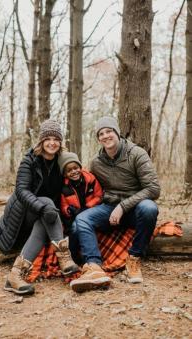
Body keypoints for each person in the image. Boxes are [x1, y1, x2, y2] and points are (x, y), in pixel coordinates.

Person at [70, 116, 160, 293]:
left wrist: (123, 206)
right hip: (108, 207)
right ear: (98, 139)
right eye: (101, 134)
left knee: (149, 208)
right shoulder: (96, 162)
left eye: (109, 131)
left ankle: (134, 259)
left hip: (135, 208)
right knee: (82, 219)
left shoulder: (136, 154)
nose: (105, 136)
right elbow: (90, 186)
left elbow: (153, 188)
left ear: (117, 133)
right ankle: (94, 266)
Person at [0, 119, 79, 296]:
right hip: (22, 214)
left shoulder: (60, 163)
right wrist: (41, 207)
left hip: (43, 215)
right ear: (41, 141)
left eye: (56, 139)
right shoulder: (29, 161)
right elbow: (21, 191)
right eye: (48, 138)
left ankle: (14, 276)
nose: (52, 142)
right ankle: (64, 258)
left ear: (60, 142)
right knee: (46, 203)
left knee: (44, 216)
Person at [58, 151, 103, 263]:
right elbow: (63, 205)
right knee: (75, 227)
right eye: (69, 170)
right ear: (64, 174)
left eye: (76, 168)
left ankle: (88, 257)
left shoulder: (90, 179)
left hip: (91, 210)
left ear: (80, 167)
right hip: (74, 215)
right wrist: (68, 210)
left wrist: (88, 206)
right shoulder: (64, 187)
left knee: (81, 224)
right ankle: (72, 255)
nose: (74, 172)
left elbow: (99, 196)